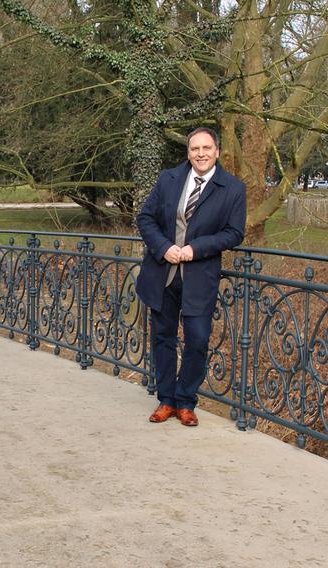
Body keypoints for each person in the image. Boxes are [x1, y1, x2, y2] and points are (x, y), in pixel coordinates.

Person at [135, 127, 247, 426]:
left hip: (200, 277)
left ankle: (186, 401)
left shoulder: (233, 189)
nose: (201, 154)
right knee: (163, 337)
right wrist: (164, 247)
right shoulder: (168, 179)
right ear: (188, 152)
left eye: (206, 148)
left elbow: (234, 233)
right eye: (195, 149)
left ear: (217, 151)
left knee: (197, 339)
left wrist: (195, 249)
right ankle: (167, 400)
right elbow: (145, 218)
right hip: (163, 274)